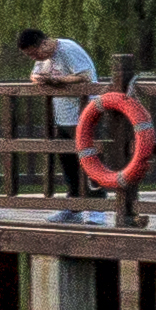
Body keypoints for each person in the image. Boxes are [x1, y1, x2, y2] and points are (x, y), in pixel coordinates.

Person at [31, 26, 102, 194]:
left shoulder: (68, 49)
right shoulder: (43, 56)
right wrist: (39, 79)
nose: (35, 58)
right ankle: (74, 203)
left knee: (87, 158)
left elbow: (85, 76)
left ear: (44, 43)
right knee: (67, 159)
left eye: (35, 53)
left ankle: (97, 204)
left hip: (82, 111)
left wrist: (57, 80)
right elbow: (34, 74)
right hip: (62, 114)